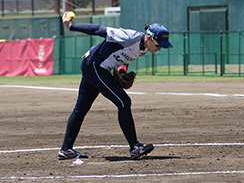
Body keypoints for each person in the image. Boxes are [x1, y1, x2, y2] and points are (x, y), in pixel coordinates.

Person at [58, 11, 173, 160]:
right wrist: (72, 27)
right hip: (95, 65)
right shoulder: (129, 37)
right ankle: (135, 147)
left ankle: (66, 149)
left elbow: (124, 59)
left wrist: (122, 73)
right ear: (149, 37)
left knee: (81, 109)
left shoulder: (144, 48)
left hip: (95, 66)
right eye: (158, 45)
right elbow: (98, 30)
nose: (159, 49)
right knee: (124, 102)